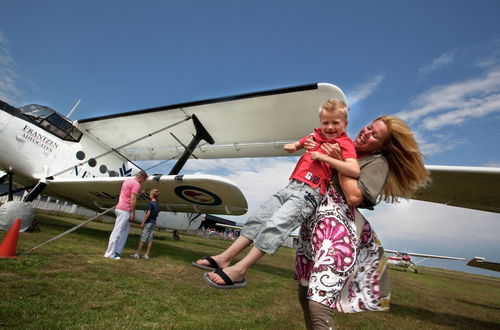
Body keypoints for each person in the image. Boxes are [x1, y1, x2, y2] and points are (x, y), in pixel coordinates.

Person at [193, 98, 360, 288]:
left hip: (309, 193)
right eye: (325, 122)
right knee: (258, 218)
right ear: (320, 122)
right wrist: (293, 146)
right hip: (291, 186)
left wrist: (323, 157)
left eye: (335, 123)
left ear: (345, 124)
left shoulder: (344, 143)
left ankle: (240, 270)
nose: (329, 127)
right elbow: (299, 144)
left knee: (276, 225)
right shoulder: (315, 135)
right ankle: (225, 257)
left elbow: (354, 170)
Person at [296, 116, 429, 329]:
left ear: (382, 146)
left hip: (336, 234)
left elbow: (353, 197)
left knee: (318, 303)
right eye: (369, 127)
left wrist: (338, 161)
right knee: (305, 296)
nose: (366, 133)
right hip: (314, 228)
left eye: (375, 135)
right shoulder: (346, 148)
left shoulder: (377, 163)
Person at [104, 170, 148, 260]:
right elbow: (133, 199)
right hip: (125, 210)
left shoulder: (127, 180)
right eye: (143, 180)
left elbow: (126, 194)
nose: (142, 182)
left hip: (120, 208)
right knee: (117, 231)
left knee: (125, 230)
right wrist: (132, 212)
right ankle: (109, 253)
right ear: (141, 177)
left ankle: (117, 252)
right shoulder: (136, 184)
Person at [130, 188, 160, 259]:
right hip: (154, 223)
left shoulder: (150, 203)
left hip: (148, 222)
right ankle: (147, 254)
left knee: (143, 238)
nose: (149, 195)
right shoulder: (158, 204)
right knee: (150, 239)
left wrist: (143, 221)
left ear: (152, 195)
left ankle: (137, 254)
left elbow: (148, 213)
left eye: (150, 194)